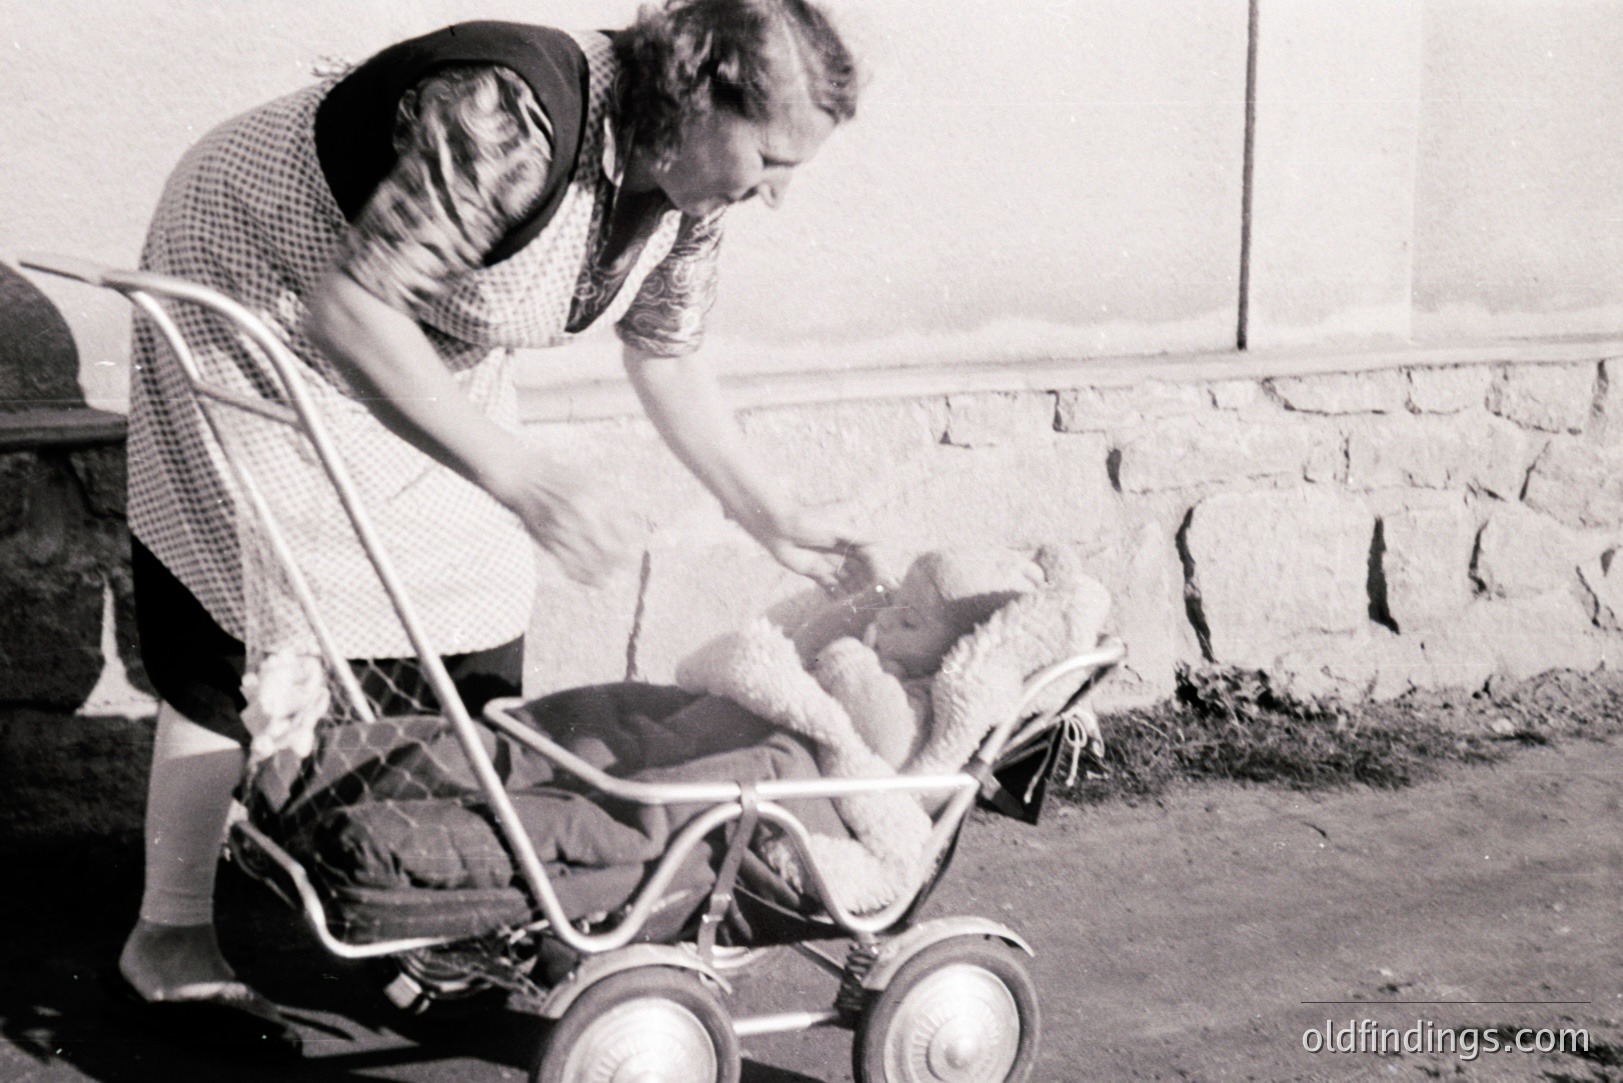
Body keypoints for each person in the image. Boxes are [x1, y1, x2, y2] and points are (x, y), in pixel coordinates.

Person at [115, 0, 874, 1056]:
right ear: (699, 99)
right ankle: (170, 934)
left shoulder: (691, 186)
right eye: (773, 159)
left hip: (415, 322)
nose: (778, 192)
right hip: (260, 272)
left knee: (475, 577)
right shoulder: (511, 112)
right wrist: (519, 474)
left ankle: (426, 898)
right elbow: (352, 306)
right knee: (266, 591)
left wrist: (765, 508)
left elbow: (667, 348)